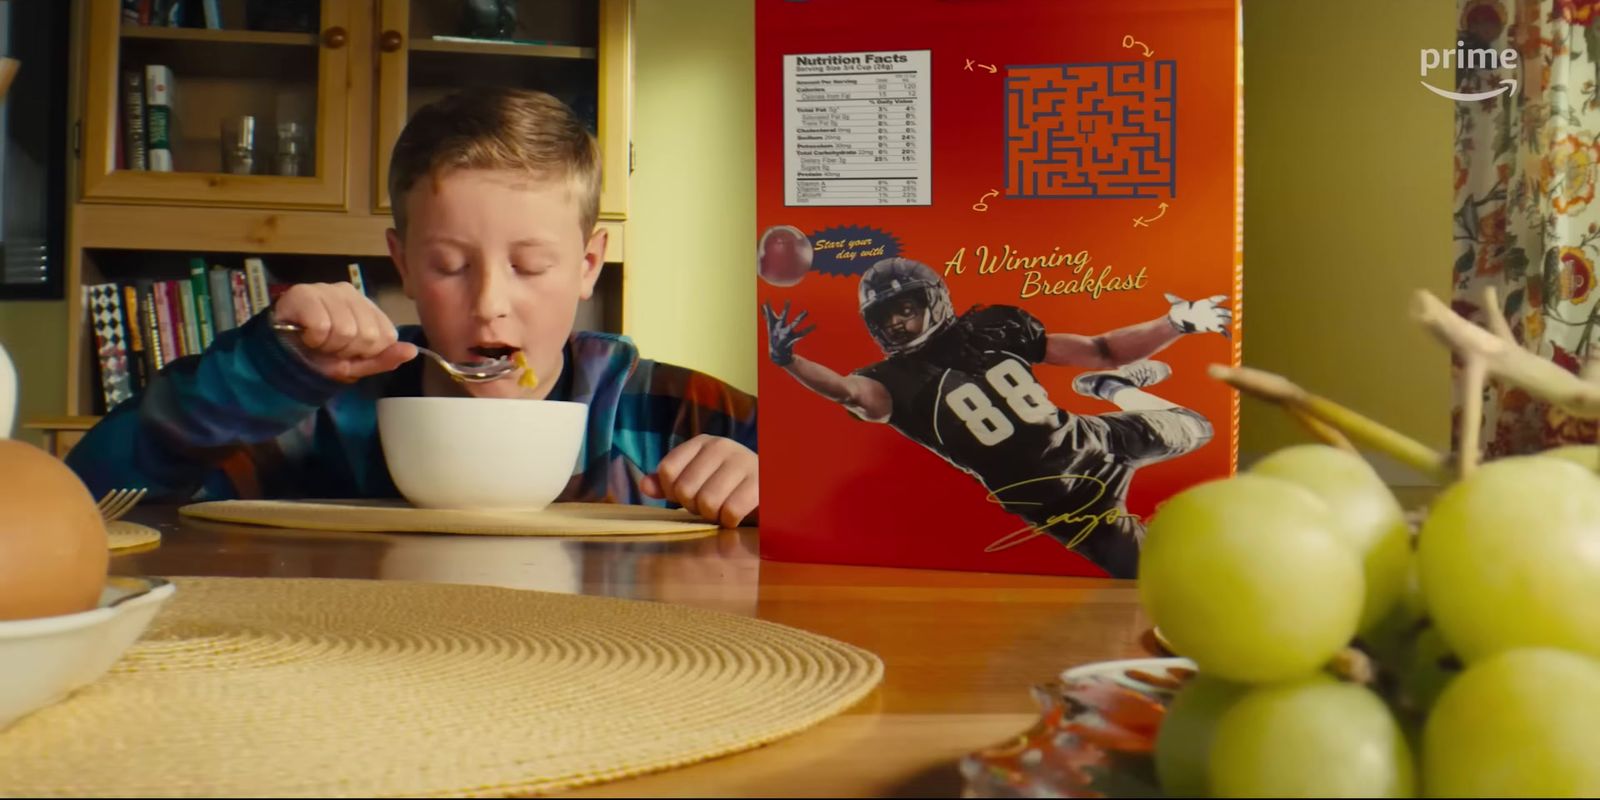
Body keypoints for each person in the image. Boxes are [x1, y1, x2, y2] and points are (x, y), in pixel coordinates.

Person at [68, 88, 759, 528]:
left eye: (529, 266)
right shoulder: (324, 413)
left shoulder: (667, 412)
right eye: (449, 266)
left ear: (586, 265)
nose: (490, 306)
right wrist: (267, 369)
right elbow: (93, 496)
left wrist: (773, 489)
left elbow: (855, 502)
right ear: (402, 265)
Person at [761, 256, 1229, 576]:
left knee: (1200, 427)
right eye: (886, 318)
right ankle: (1114, 390)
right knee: (1151, 571)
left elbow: (1101, 348)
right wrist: (790, 362)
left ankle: (1114, 388)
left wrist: (1177, 323)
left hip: (1094, 440)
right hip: (1065, 505)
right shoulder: (892, 383)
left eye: (905, 309)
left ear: (932, 300)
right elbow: (847, 391)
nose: (898, 324)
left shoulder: (992, 328)